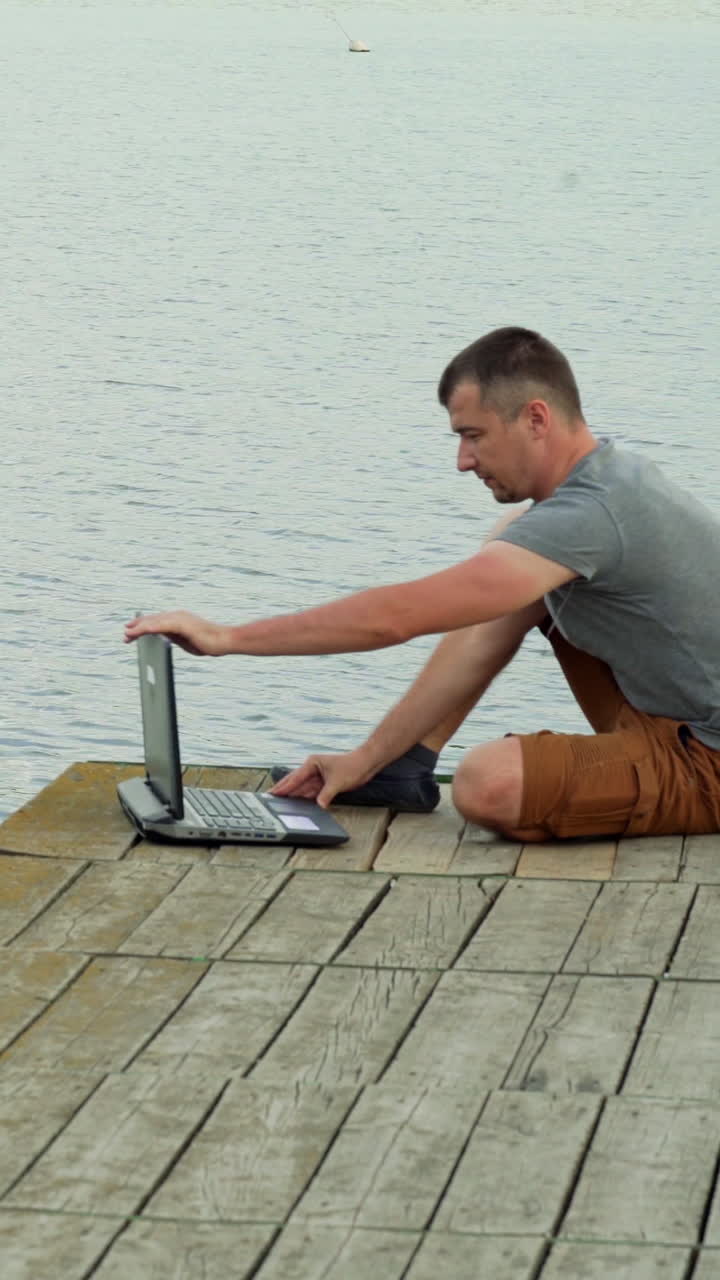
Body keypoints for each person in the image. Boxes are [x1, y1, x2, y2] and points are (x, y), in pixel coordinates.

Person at [125, 326, 720, 841]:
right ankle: (402, 761)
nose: (463, 460)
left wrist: (228, 637)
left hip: (707, 759)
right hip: (665, 716)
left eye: (474, 435)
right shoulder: (599, 486)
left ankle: (407, 759)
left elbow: (396, 617)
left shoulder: (596, 513)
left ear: (536, 418)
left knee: (487, 783)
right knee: (512, 544)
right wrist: (365, 758)